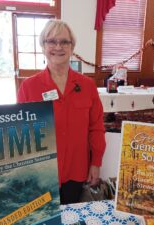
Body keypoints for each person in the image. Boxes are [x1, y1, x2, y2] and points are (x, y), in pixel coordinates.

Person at [17, 19, 106, 204]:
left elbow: (96, 128)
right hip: (42, 172)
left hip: (77, 168)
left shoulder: (87, 86)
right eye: (52, 41)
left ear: (72, 47)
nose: (58, 47)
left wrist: (95, 163)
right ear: (43, 45)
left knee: (71, 216)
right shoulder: (28, 87)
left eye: (64, 42)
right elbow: (21, 132)